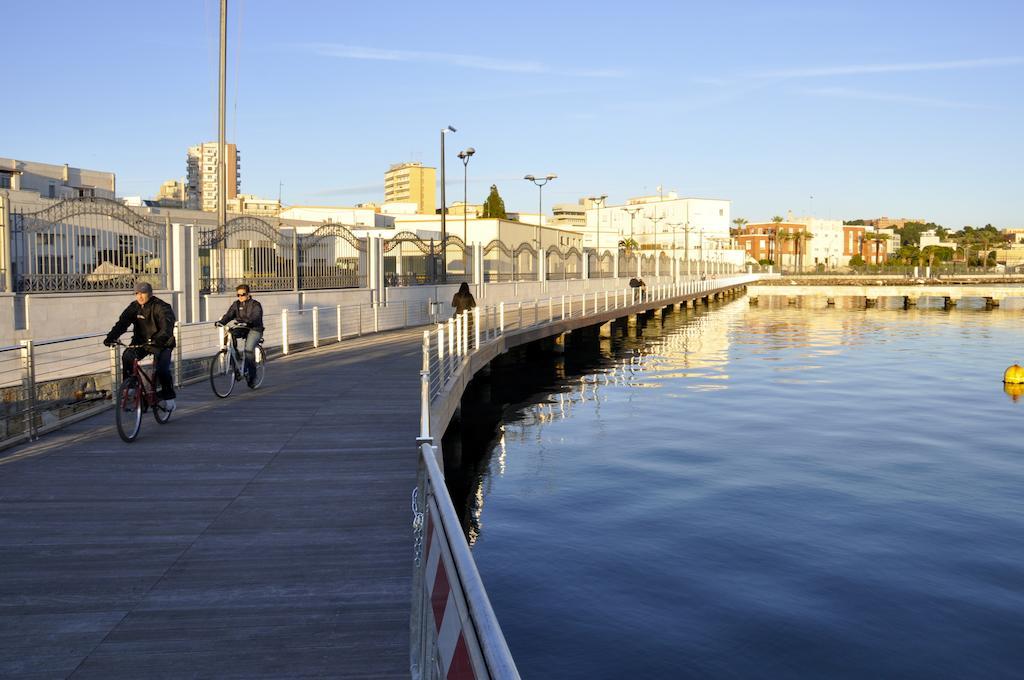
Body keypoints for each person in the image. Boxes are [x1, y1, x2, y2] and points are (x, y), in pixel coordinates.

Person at [103, 281, 177, 411]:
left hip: (162, 343)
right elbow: (122, 323)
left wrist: (158, 340)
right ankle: (131, 387)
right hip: (141, 342)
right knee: (127, 356)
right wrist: (111, 337)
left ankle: (169, 397)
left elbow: (167, 327)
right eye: (137, 293)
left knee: (162, 370)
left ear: (150, 293)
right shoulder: (134, 307)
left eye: (143, 293)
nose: (140, 296)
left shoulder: (161, 306)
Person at [215, 284, 264, 386]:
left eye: (243, 294)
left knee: (249, 350)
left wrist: (249, 321)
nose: (240, 297)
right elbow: (229, 315)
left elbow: (256, 316)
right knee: (230, 339)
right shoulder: (236, 305)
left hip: (255, 328)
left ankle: (252, 376)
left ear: (248, 294)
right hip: (242, 328)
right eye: (238, 295)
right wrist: (221, 322)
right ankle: (236, 361)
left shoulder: (255, 305)